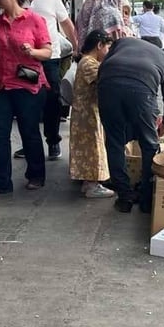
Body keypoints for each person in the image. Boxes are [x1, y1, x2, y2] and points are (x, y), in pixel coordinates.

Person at [0, 0, 52, 194]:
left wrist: (33, 51)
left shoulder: (35, 20)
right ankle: (1, 181)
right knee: (0, 134)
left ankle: (36, 174)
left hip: (27, 85)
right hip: (1, 86)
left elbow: (47, 52)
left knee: (29, 130)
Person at [97, 36, 164, 214]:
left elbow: (103, 66)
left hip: (108, 84)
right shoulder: (163, 57)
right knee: (149, 145)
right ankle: (146, 201)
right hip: (141, 91)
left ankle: (125, 198)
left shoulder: (124, 42)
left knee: (114, 142)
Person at [15, 0, 77, 162]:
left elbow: (66, 23)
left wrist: (76, 46)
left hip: (50, 57)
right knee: (27, 102)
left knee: (52, 99)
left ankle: (53, 140)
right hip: (24, 59)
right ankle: (30, 144)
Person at [69, 29, 115, 199]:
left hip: (85, 112)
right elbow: (105, 78)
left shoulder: (86, 61)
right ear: (99, 45)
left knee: (89, 148)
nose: (107, 52)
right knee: (93, 149)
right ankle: (92, 184)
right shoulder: (89, 63)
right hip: (87, 114)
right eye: (107, 48)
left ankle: (89, 182)